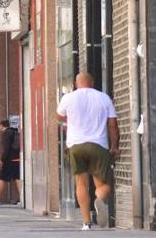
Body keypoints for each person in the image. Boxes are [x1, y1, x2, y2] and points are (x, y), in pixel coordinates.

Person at [57, 71, 119, 231]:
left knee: (81, 184)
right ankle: (99, 199)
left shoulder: (68, 98)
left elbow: (58, 117)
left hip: (76, 146)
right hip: (98, 146)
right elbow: (112, 125)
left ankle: (86, 223)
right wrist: (115, 146)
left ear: (77, 84)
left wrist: (70, 120)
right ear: (92, 83)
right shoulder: (104, 98)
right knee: (103, 184)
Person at [0, 119, 21, 204]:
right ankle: (22, 197)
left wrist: (2, 160)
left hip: (9, 160)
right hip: (16, 158)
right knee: (17, 178)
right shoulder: (14, 132)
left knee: (2, 178)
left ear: (3, 125)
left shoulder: (6, 133)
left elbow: (6, 148)